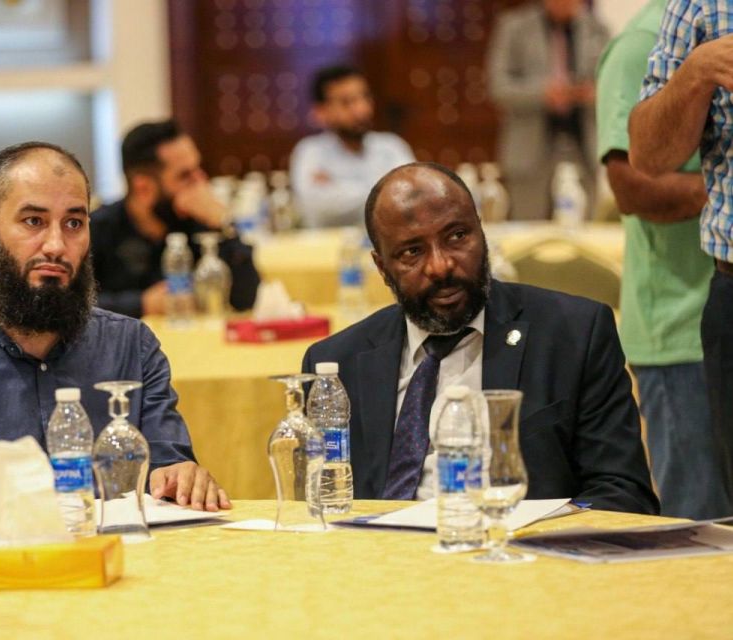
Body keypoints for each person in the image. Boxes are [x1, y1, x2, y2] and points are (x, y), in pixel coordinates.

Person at [0, 142, 229, 511]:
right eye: (34, 221)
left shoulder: (132, 348)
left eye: (74, 223)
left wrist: (183, 478)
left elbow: (169, 472)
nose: (56, 245)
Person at [301, 162, 658, 514]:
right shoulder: (337, 363)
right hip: (378, 548)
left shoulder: (574, 335)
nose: (441, 266)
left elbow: (624, 494)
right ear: (382, 268)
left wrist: (539, 528)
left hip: (516, 544)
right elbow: (320, 506)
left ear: (482, 232)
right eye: (412, 252)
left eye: (457, 236)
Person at [596, 0, 731, 519]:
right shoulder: (646, 38)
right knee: (704, 521)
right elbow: (632, 184)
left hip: (701, 308)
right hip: (678, 323)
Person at [90, 120, 260, 318]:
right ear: (144, 188)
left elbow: (246, 299)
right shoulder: (97, 229)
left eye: (198, 169)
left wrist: (224, 225)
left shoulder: (199, 221)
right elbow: (72, 305)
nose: (201, 183)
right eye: (185, 176)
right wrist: (141, 304)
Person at [487, 0, 609, 220]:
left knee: (583, 228)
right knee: (527, 227)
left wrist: (593, 92)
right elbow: (499, 87)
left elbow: (612, 83)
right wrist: (542, 94)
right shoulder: (515, 27)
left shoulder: (597, 29)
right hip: (530, 149)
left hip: (583, 147)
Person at [289, 64, 415, 228]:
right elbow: (316, 207)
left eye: (365, 97)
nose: (361, 109)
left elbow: (412, 197)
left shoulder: (391, 147)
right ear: (321, 111)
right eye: (347, 102)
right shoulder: (310, 152)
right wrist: (385, 191)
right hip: (327, 243)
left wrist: (337, 189)